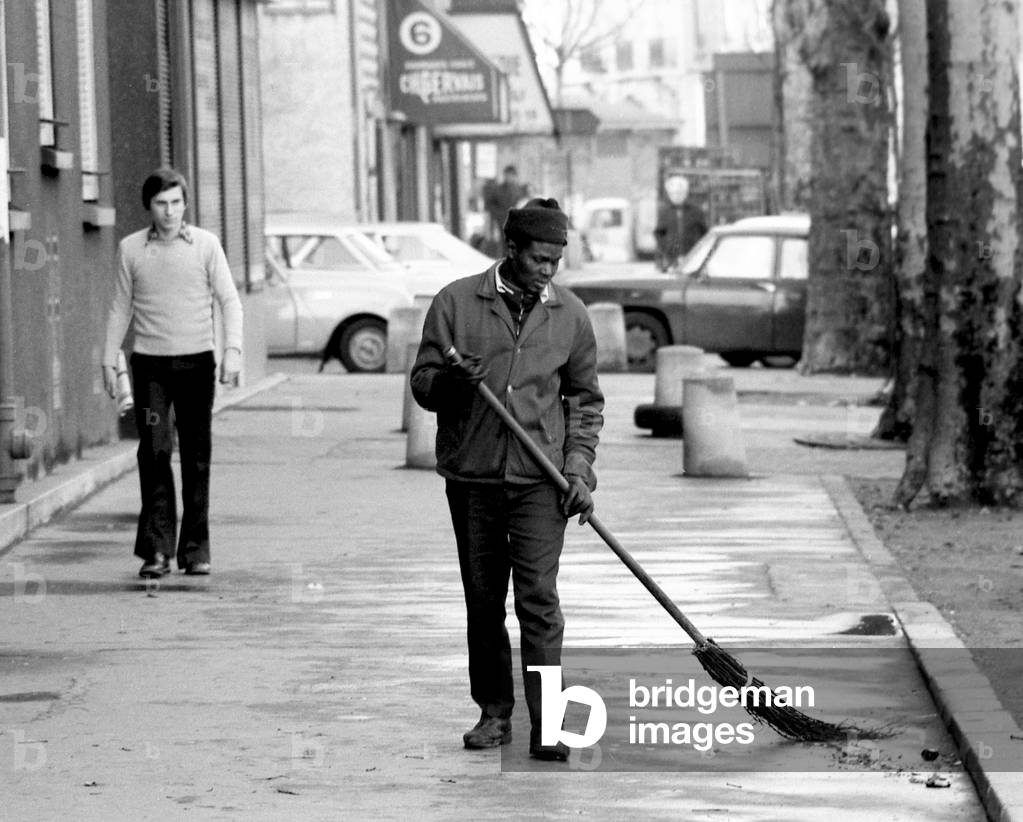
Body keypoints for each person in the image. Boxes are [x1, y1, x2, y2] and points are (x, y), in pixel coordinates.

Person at [410, 197, 604, 762]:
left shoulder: (570, 316)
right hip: (472, 478)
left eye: (557, 260)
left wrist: (578, 470)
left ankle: (548, 724)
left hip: (541, 481)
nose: (549, 269)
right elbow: (423, 384)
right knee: (484, 598)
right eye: (539, 258)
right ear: (511, 249)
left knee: (539, 601)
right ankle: (494, 713)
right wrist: (453, 382)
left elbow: (586, 402)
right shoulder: (456, 303)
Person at [102, 168, 243, 579]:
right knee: (155, 450)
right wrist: (108, 358)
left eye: (176, 203)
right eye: (162, 204)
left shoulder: (205, 246)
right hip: (150, 369)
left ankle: (196, 550)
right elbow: (119, 307)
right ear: (149, 206)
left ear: (185, 204)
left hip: (198, 363)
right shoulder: (131, 249)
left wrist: (232, 350)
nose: (170, 212)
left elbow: (230, 300)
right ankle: (157, 550)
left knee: (197, 456)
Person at [653, 172, 708, 271]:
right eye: (673, 193)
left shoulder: (696, 211)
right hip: (671, 260)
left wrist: (697, 250)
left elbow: (704, 233)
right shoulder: (664, 212)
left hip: (692, 258)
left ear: (685, 193)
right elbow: (659, 234)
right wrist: (667, 251)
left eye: (679, 193)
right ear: (669, 194)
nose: (676, 196)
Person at [482, 164, 529, 256]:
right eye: (507, 175)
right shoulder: (498, 190)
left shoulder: (521, 190)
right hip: (503, 222)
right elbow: (490, 205)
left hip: (519, 223)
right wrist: (498, 215)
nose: (509, 178)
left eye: (511, 175)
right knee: (505, 245)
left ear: (515, 176)